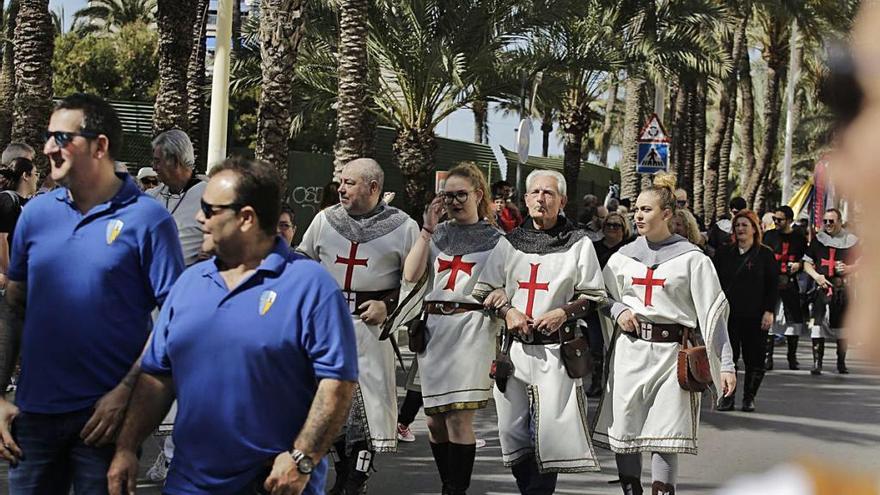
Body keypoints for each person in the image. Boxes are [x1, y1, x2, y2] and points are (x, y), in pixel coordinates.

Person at [107, 157, 358, 495]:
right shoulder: (189, 283)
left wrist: (303, 458)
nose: (199, 218)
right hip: (189, 483)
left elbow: (337, 382)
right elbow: (156, 376)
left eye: (209, 210)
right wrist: (126, 447)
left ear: (246, 218)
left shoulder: (311, 286)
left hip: (274, 485)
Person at [0, 93, 185, 494]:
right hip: (33, 419)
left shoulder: (149, 220)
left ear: (100, 146)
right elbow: (14, 308)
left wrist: (125, 395)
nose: (49, 148)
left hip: (104, 427)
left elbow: (173, 319)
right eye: (49, 137)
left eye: (62, 137)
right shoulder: (36, 214)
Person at [592, 173, 736, 495]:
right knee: (625, 431)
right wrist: (618, 310)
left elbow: (713, 314)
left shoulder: (692, 259)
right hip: (630, 353)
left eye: (646, 210)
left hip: (672, 356)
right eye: (637, 210)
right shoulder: (621, 259)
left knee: (665, 433)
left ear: (667, 214)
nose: (638, 216)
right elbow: (600, 297)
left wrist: (725, 364)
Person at [474, 169, 606, 494]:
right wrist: (508, 311)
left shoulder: (578, 245)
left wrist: (563, 312)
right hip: (515, 351)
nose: (540, 199)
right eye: (534, 192)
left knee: (547, 436)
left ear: (561, 200)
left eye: (548, 193)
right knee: (513, 434)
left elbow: (594, 295)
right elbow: (484, 289)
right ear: (526, 199)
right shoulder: (510, 243)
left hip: (556, 354)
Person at [298, 158, 419, 494]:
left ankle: (356, 479)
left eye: (349, 182)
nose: (341, 188)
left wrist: (389, 305)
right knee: (326, 403)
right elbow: (304, 260)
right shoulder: (324, 220)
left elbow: (419, 279)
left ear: (373, 188)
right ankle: (342, 472)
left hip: (371, 330)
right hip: (327, 326)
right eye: (341, 181)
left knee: (365, 409)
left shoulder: (403, 226)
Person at [402, 162, 502, 494]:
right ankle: (449, 483)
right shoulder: (438, 234)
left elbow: (507, 284)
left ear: (478, 194)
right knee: (433, 421)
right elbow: (412, 275)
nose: (455, 202)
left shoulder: (498, 240)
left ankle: (454, 490)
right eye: (448, 196)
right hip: (434, 331)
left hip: (472, 329)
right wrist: (427, 229)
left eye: (461, 195)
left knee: (459, 417)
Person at [139, 129, 208, 481]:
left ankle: (174, 457)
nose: (153, 167)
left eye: (158, 160)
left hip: (192, 302)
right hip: (149, 304)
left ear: (177, 161)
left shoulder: (209, 194)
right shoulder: (152, 197)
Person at [712, 210, 778, 412]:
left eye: (744, 225)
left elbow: (772, 285)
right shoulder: (724, 253)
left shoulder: (765, 254)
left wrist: (769, 311)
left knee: (755, 359)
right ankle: (727, 397)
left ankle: (749, 397)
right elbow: (714, 282)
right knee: (727, 357)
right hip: (729, 315)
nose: (740, 229)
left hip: (755, 316)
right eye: (737, 225)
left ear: (754, 229)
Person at [802, 208, 859, 375]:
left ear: (840, 221)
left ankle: (841, 363)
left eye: (831, 221)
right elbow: (806, 263)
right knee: (818, 325)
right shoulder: (818, 240)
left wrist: (849, 267)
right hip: (822, 288)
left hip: (842, 289)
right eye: (825, 221)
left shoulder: (852, 241)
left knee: (843, 328)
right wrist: (816, 276)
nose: (827, 224)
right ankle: (817, 363)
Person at [584, 211, 631, 397]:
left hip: (622, 305)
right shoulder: (593, 248)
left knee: (620, 346)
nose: (612, 228)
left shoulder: (628, 250)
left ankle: (617, 385)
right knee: (596, 345)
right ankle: (596, 382)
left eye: (616, 225)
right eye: (609, 225)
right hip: (596, 304)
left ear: (624, 229)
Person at [763, 206, 809, 371]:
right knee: (768, 318)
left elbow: (807, 259)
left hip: (790, 283)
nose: (776, 222)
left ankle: (792, 357)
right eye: (774, 219)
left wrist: (799, 264)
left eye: (779, 220)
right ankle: (768, 358)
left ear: (789, 220)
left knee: (794, 319)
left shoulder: (799, 238)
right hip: (771, 284)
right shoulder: (768, 236)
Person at [0, 158, 39, 293]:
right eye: (35, 174)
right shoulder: (7, 199)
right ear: (25, 176)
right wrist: (5, 273)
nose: (37, 179)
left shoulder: (27, 203)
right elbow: (1, 238)